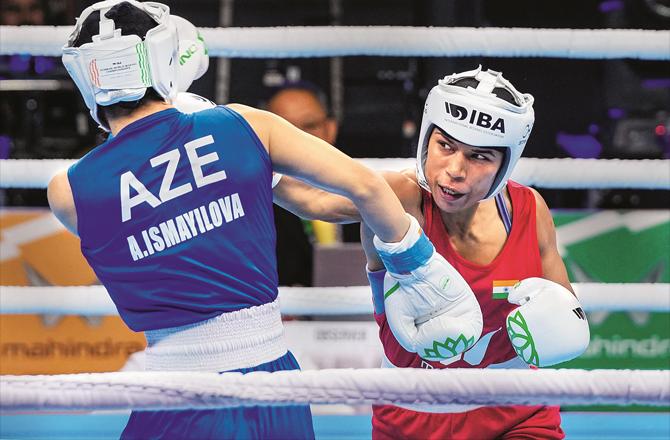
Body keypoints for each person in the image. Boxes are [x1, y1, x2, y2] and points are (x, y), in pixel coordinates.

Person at [48, 2, 482, 438]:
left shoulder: (68, 192)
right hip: (273, 382)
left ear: (87, 77)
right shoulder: (241, 127)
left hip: (169, 391)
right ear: (163, 57)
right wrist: (421, 262)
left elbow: (151, 233)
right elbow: (360, 190)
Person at [274, 66, 590, 439]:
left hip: (516, 410)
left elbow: (567, 309)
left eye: (479, 157)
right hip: (412, 415)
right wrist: (242, 146)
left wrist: (557, 325)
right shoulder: (399, 199)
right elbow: (313, 199)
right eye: (446, 146)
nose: (455, 170)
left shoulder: (527, 210)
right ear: (426, 140)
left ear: (505, 164)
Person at [266, 83, 339, 286]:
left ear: (330, 129)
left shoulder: (366, 186)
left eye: (309, 126)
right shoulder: (248, 200)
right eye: (285, 128)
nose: (298, 139)